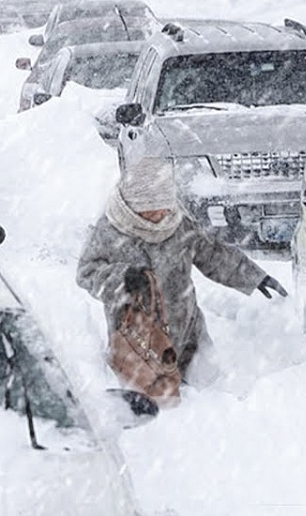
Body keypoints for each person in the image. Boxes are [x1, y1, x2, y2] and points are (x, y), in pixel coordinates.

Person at [76, 157, 287, 383]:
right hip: (135, 340)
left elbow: (213, 253)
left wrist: (253, 276)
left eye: (165, 207)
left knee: (210, 397)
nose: (162, 215)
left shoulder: (178, 224)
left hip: (188, 334)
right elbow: (87, 272)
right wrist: (122, 280)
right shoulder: (110, 230)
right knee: (156, 407)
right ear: (134, 205)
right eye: (153, 210)